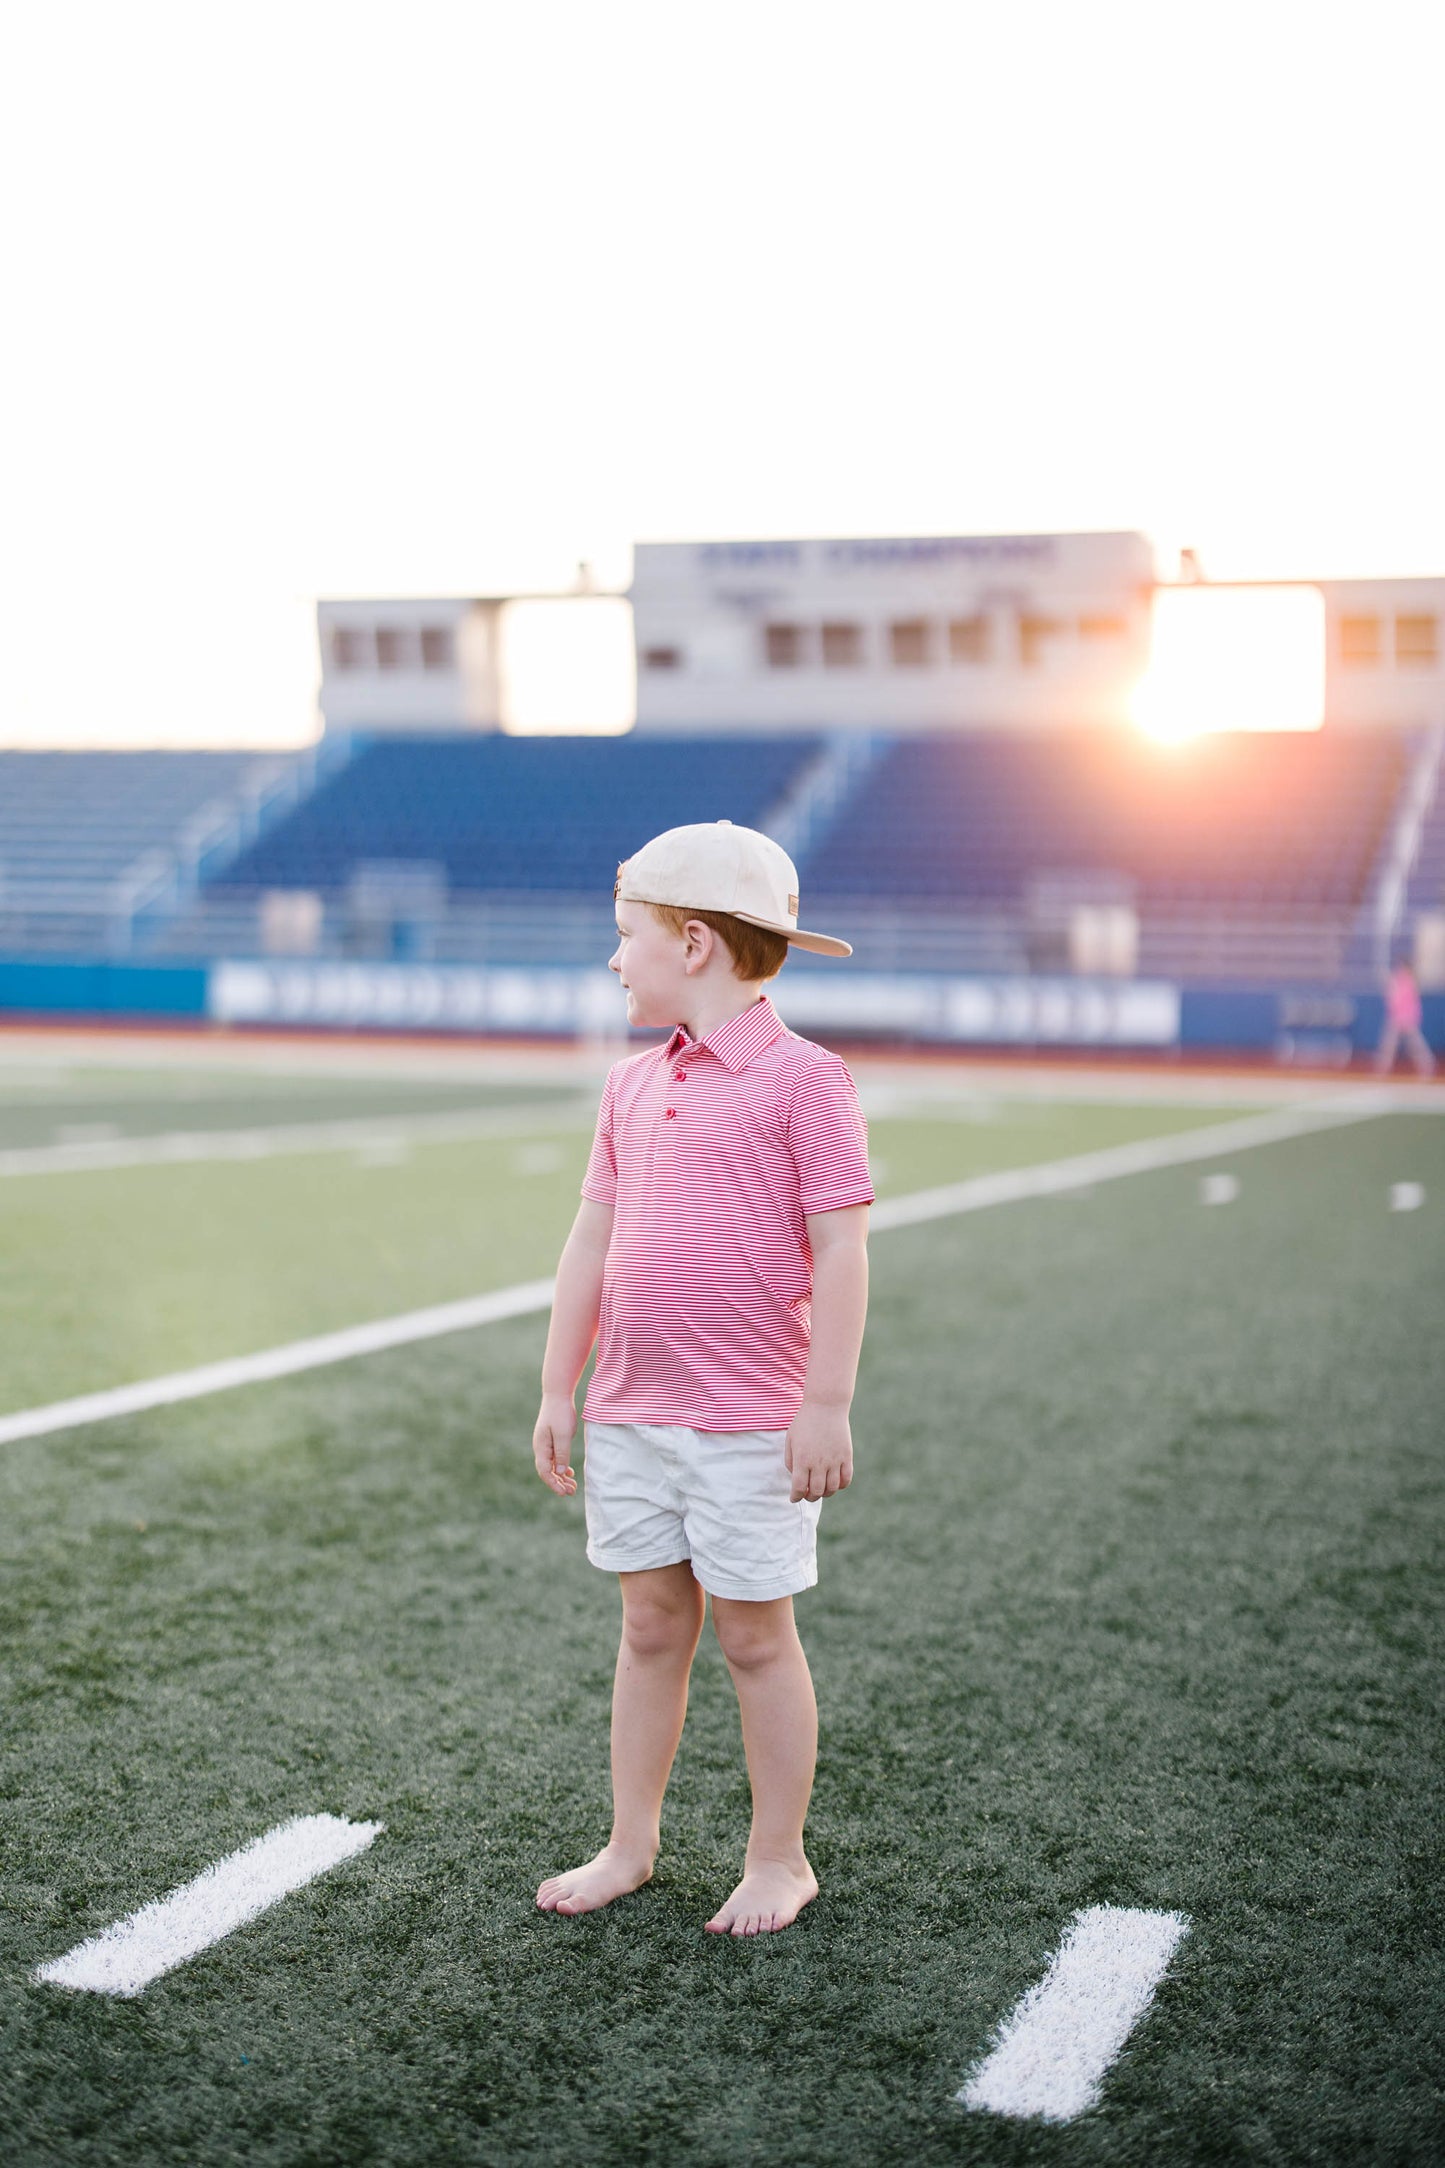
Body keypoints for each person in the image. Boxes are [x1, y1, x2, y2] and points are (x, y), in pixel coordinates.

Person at [531, 819, 873, 1937]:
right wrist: (556, 1388)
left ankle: (779, 1856)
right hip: (632, 1410)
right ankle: (631, 1841)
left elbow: (841, 1249)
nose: (612, 959)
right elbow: (588, 1242)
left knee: (754, 1635)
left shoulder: (807, 1081)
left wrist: (823, 1401)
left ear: (690, 942)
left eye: (623, 937)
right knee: (647, 1626)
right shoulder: (630, 1087)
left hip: (746, 1421)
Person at [1375, 958, 1435, 1077]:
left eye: (1402, 967)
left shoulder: (1410, 982)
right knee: (1388, 1045)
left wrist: (1392, 986)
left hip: (1408, 1018)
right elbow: (1391, 1000)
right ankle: (1382, 1069)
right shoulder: (1397, 981)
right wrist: (1390, 986)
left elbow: (1400, 999)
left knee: (1416, 1045)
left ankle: (1427, 1065)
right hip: (1396, 1018)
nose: (1400, 969)